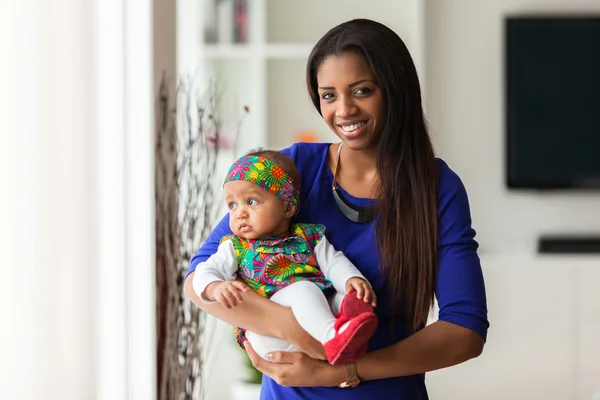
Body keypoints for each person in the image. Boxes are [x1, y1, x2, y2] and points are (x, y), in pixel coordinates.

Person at [184, 18, 489, 399]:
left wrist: (339, 370)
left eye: (362, 90)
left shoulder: (437, 188)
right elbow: (199, 280)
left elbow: (465, 330)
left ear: (396, 89)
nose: (344, 110)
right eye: (328, 95)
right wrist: (295, 329)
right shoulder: (293, 170)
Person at [192, 149, 379, 366]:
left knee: (338, 297)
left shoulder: (309, 236)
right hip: (268, 334)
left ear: (288, 207)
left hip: (311, 312)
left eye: (251, 201)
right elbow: (203, 272)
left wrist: (351, 282)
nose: (239, 213)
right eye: (232, 205)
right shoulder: (236, 246)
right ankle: (332, 337)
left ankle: (350, 327)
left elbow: (334, 262)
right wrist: (215, 287)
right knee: (304, 290)